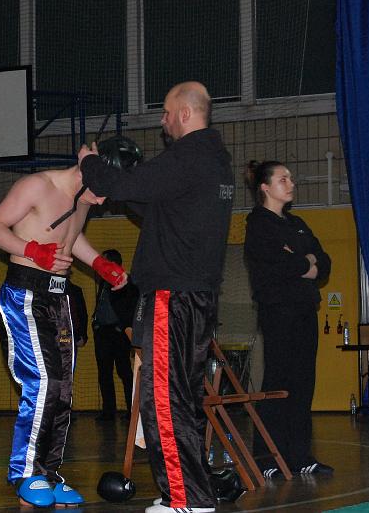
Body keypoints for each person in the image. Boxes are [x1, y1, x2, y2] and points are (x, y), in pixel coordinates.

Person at [80, 81, 234, 513]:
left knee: (163, 398)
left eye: (166, 113)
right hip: (194, 298)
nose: (163, 122)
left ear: (185, 113)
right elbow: (156, 205)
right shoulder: (214, 161)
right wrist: (120, 188)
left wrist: (89, 162)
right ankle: (191, 493)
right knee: (178, 396)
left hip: (173, 297)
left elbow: (123, 184)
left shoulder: (188, 154)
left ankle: (184, 499)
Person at [0, 161, 128, 509]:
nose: (103, 201)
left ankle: (48, 473)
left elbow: (70, 238)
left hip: (58, 298)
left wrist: (99, 264)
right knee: (43, 383)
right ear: (85, 174)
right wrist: (31, 250)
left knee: (63, 388)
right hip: (25, 295)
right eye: (102, 191)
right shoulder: (36, 185)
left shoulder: (82, 200)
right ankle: (25, 472)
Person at [243, 160, 332, 478]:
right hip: (278, 311)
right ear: (265, 187)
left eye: (291, 178)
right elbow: (276, 265)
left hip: (305, 310)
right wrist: (305, 262)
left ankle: (300, 455)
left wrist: (303, 260)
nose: (291, 183)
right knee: (277, 382)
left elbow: (324, 262)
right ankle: (266, 459)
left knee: (303, 383)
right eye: (283, 179)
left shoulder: (298, 223)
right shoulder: (258, 224)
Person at [92, 248, 138, 421]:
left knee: (124, 371)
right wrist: (96, 323)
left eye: (104, 261)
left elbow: (131, 307)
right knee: (104, 372)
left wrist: (122, 327)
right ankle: (108, 412)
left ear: (112, 263)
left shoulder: (126, 282)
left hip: (119, 333)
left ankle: (132, 410)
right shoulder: (103, 282)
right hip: (102, 332)